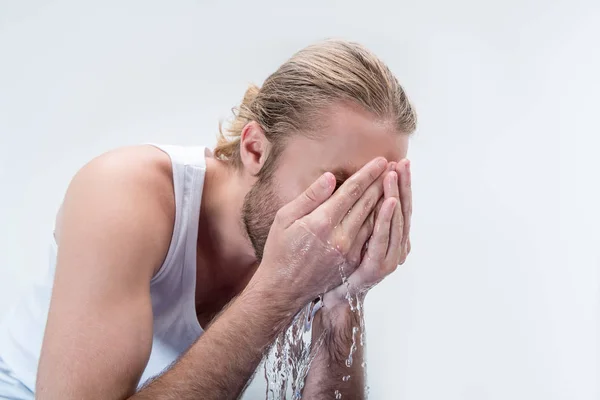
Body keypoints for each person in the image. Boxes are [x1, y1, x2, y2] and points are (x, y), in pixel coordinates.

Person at [0, 39, 416, 399]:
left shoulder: (322, 241)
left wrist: (344, 300)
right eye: (341, 184)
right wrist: (279, 289)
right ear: (255, 150)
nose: (351, 218)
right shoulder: (123, 195)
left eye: (375, 193)